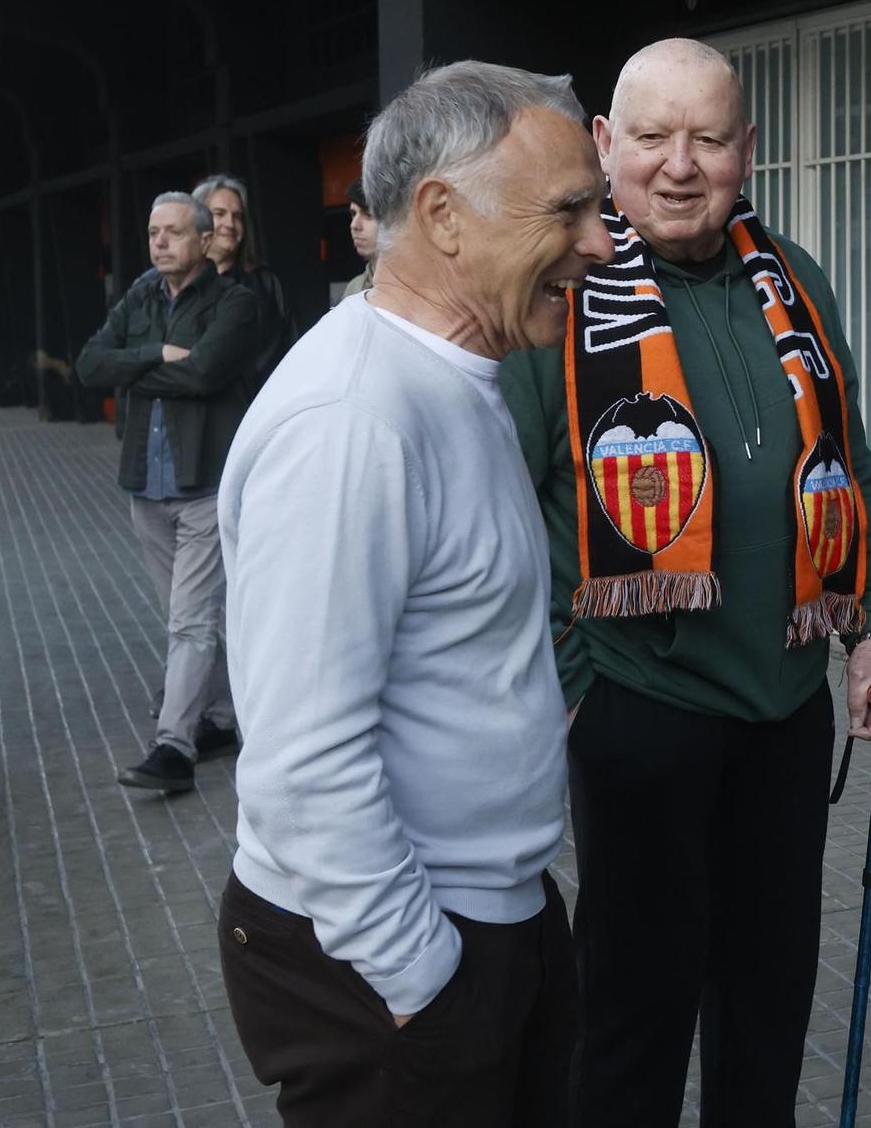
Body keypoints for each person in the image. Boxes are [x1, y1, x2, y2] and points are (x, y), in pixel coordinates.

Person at [497, 37, 871, 1127]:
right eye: (651, 136)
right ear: (602, 145)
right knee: (634, 1012)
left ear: (746, 152)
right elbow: (501, 508)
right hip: (639, 708)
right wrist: (576, 683)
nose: (679, 165)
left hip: (783, 709)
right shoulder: (558, 291)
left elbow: (847, 467)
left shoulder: (791, 279)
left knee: (766, 1002)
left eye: (709, 139)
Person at [214, 61, 612, 1126]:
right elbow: (303, 762)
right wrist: (424, 978)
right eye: (569, 209)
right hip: (396, 958)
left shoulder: (454, 376)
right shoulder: (353, 419)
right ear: (442, 214)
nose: (600, 242)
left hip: (484, 919)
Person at [75, 191, 262, 794]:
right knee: (195, 617)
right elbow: (89, 366)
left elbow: (206, 373)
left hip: (203, 483)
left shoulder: (235, 303)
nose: (159, 242)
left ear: (204, 241)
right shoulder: (140, 296)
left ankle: (173, 748)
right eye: (154, 231)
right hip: (145, 487)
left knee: (189, 621)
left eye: (173, 232)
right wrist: (154, 352)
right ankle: (225, 716)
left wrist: (133, 369)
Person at [193, 173, 298, 383]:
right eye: (219, 213)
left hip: (250, 406)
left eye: (237, 216)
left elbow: (287, 351)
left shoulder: (267, 284)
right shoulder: (173, 283)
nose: (230, 223)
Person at [342, 177, 377, 299]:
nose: (354, 225)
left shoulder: (422, 287)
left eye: (368, 214)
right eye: (353, 214)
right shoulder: (354, 288)